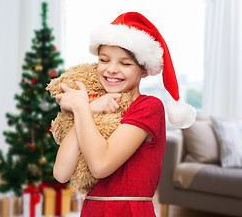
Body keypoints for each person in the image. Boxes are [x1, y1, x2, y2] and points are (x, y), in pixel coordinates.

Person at [53, 12, 195, 216]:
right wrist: (89, 108)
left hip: (128, 211)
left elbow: (100, 166)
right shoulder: (93, 108)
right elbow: (60, 173)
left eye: (125, 63)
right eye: (104, 60)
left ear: (144, 70)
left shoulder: (148, 107)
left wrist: (82, 107)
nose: (111, 69)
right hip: (91, 210)